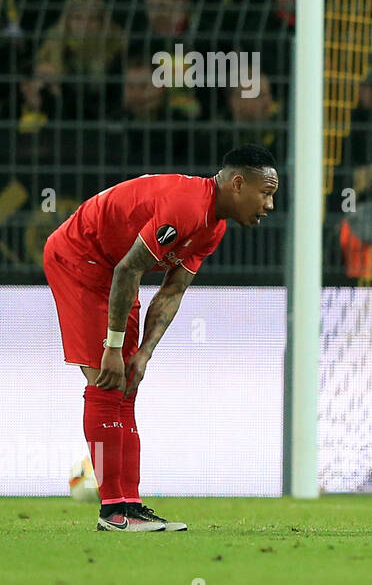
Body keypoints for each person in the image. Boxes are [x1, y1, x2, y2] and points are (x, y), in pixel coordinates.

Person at [42, 145, 279, 532]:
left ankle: (129, 507)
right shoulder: (185, 207)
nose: (269, 205)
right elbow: (128, 269)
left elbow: (171, 292)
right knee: (106, 383)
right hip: (80, 258)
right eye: (266, 193)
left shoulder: (212, 226)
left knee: (126, 386)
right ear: (238, 183)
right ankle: (113, 511)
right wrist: (115, 349)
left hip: (114, 270)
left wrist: (144, 355)